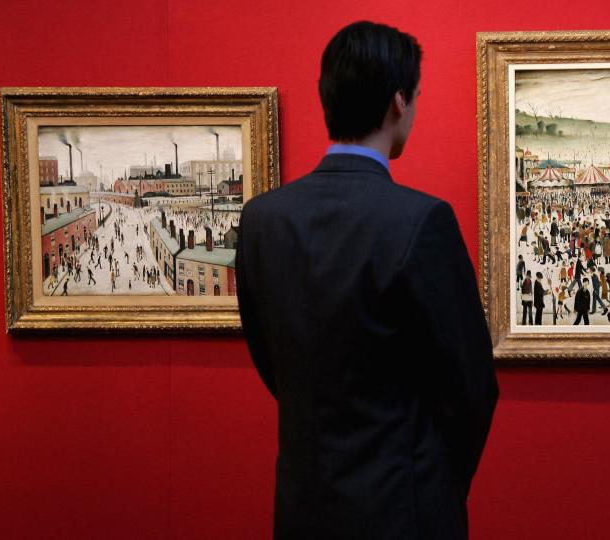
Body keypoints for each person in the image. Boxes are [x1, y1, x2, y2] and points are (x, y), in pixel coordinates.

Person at [235, 21, 498, 540]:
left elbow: (271, 361)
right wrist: (440, 482)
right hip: (404, 506)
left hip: (302, 503)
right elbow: (472, 386)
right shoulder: (421, 221)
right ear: (399, 101)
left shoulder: (263, 219)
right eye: (416, 97)